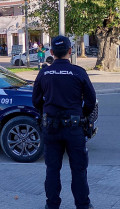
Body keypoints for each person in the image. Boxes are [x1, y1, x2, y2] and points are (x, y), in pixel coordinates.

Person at [32, 35, 96, 209]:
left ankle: (52, 205)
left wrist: (46, 110)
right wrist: (81, 115)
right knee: (79, 169)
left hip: (51, 128)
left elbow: (36, 100)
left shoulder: (44, 72)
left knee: (52, 169)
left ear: (52, 52)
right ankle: (83, 205)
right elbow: (91, 100)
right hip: (74, 129)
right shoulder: (78, 72)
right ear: (70, 51)